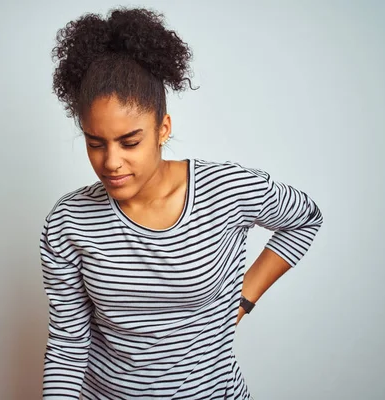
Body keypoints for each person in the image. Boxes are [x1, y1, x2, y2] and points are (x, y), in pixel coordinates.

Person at [39, 7, 323, 400]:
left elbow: (305, 219)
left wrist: (245, 297)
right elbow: (68, 345)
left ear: (163, 129)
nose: (111, 161)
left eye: (130, 141)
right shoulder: (68, 221)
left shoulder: (225, 191)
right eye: (95, 142)